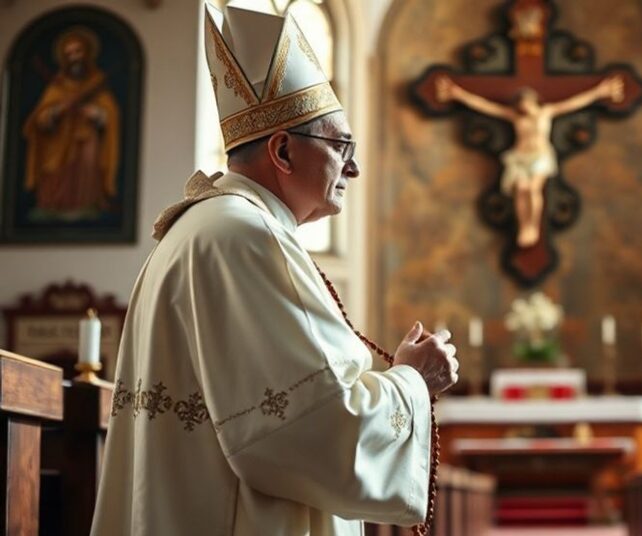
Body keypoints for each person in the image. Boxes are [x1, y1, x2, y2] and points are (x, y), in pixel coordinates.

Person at [91, 5, 457, 535]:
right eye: (341, 146)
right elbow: (308, 430)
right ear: (282, 150)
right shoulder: (246, 236)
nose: (352, 167)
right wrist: (412, 380)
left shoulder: (206, 226)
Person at [435, 74, 623, 247]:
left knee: (533, 188)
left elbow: (574, 103)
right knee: (521, 189)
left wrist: (599, 92)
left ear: (533, 101)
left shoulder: (546, 113)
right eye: (520, 103)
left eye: (526, 101)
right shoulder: (514, 117)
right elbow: (485, 106)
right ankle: (524, 226)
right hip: (519, 158)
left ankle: (533, 224)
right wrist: (458, 94)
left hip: (539, 157)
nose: (523, 106)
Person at [22, 26, 120, 221]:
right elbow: (38, 120)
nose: (74, 57)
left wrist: (96, 114)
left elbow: (110, 115)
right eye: (69, 53)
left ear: (87, 53)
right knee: (55, 175)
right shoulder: (57, 86)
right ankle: (52, 205)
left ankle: (88, 205)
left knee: (86, 168)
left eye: (78, 51)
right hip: (57, 144)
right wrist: (57, 111)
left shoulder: (96, 84)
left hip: (86, 139)